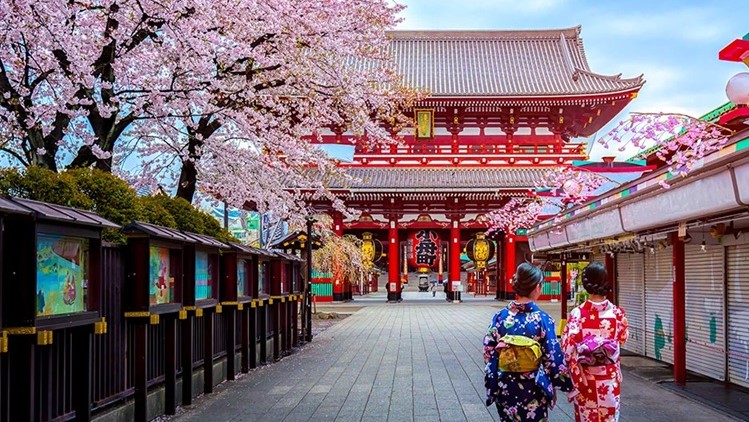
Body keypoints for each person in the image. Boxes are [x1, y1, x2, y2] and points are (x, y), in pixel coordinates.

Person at [483, 263, 573, 421]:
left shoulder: (500, 317)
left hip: (505, 385)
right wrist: (565, 385)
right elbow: (552, 357)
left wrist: (502, 366)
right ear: (537, 287)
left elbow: (488, 351)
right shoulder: (542, 319)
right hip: (534, 386)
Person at [562, 262, 629, 422]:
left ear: (586, 284)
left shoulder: (577, 314)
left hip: (585, 379)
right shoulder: (617, 314)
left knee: (586, 417)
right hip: (609, 378)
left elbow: (567, 349)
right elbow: (622, 339)